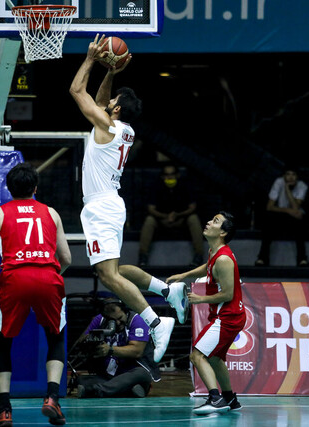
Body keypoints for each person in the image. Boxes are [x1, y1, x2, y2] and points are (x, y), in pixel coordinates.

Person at [69, 34, 186, 364]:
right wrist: (111, 72)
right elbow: (103, 101)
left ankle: (155, 321)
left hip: (101, 206)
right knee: (115, 270)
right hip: (110, 203)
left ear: (116, 109)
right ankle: (166, 290)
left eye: (111, 102)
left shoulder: (107, 124)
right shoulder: (124, 129)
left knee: (107, 276)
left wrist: (92, 59)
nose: (106, 104)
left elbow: (78, 92)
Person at [0, 163, 72, 427]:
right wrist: (48, 273)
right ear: (35, 188)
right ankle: (52, 397)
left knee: (4, 342)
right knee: (55, 337)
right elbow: (66, 258)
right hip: (48, 277)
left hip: (14, 279)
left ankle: (4, 409)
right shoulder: (51, 213)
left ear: (8, 188)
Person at [167, 211, 245, 415]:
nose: (209, 222)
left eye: (216, 222)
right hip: (226, 316)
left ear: (223, 233)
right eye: (211, 219)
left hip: (228, 317)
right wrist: (184, 274)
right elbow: (207, 267)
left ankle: (215, 398)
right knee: (215, 358)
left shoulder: (224, 259)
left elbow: (228, 294)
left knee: (197, 355)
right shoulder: (215, 253)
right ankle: (230, 399)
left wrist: (199, 299)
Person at [75, 298, 159, 399]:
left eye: (120, 318)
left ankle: (96, 391)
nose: (118, 323)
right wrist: (90, 340)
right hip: (109, 374)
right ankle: (127, 391)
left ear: (125, 311)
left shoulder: (137, 320)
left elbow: (137, 351)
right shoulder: (100, 319)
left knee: (141, 374)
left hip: (132, 372)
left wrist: (110, 350)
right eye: (113, 320)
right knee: (81, 380)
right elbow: (80, 341)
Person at [138, 163, 204, 267]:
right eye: (167, 174)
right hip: (161, 220)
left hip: (180, 219)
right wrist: (164, 216)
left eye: (172, 174)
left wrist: (177, 215)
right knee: (149, 221)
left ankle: (198, 256)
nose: (170, 177)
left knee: (193, 219)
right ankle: (143, 257)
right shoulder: (156, 186)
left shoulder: (184, 185)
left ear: (177, 175)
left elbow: (192, 207)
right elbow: (151, 208)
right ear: (163, 176)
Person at [255, 167, 309, 267]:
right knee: (268, 221)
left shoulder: (302, 186)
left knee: (300, 223)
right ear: (284, 176)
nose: (291, 177)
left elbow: (296, 207)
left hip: (296, 217)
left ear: (297, 177)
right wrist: (288, 210)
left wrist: (288, 189)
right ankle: (262, 258)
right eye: (288, 174)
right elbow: (269, 206)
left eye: (293, 174)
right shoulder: (279, 182)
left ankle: (302, 258)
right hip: (281, 214)